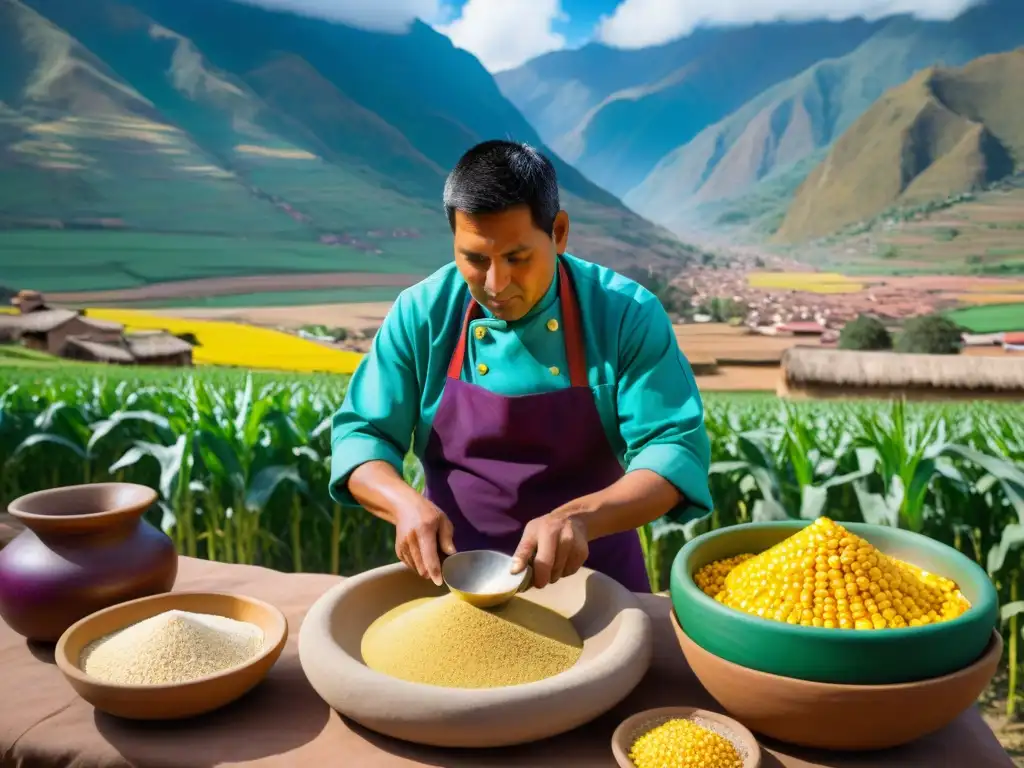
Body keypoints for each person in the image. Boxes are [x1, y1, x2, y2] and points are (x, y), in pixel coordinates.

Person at [329, 139, 712, 594]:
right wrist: (403, 504)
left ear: (560, 233)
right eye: (474, 259)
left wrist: (579, 519)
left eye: (517, 258)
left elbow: (673, 450)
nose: (496, 283)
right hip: (456, 585)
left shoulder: (625, 314)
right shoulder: (421, 313)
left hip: (597, 583)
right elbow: (362, 435)